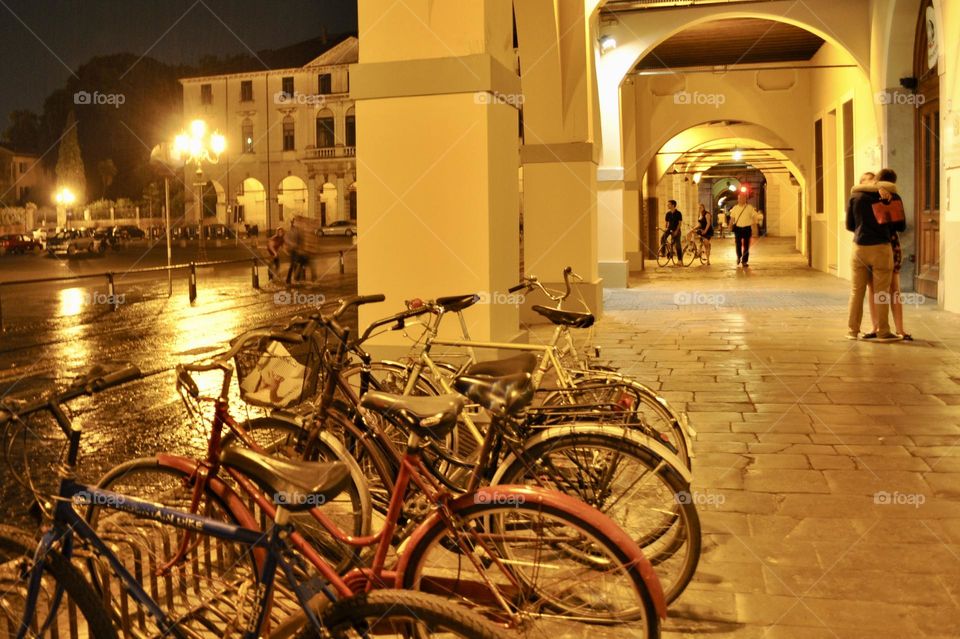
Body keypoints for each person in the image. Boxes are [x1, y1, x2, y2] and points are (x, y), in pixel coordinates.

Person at [845, 167, 905, 341]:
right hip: (881, 248)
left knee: (857, 291)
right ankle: (883, 332)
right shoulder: (891, 196)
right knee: (882, 292)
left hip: (859, 247)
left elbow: (849, 225)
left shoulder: (855, 197)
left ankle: (852, 331)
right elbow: (900, 226)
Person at [864, 169, 912, 340]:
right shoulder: (895, 197)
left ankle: (875, 326)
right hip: (891, 243)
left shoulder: (866, 197)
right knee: (894, 289)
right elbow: (901, 226)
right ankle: (900, 329)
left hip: (871, 244)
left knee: (873, 288)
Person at [727, 192, 759, 267]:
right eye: (740, 198)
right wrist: (730, 226)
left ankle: (744, 261)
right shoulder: (735, 208)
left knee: (746, 245)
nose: (741, 200)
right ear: (738, 200)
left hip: (747, 228)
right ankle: (739, 256)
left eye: (743, 198)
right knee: (738, 244)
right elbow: (732, 219)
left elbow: (754, 216)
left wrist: (755, 227)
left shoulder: (749, 207)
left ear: (745, 199)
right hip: (738, 228)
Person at [284, 220, 303, 284]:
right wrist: (293, 244)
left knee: (296, 264)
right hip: (293, 250)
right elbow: (286, 239)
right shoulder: (290, 232)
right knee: (294, 264)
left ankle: (294, 279)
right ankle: (290, 279)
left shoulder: (296, 231)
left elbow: (300, 239)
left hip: (296, 250)